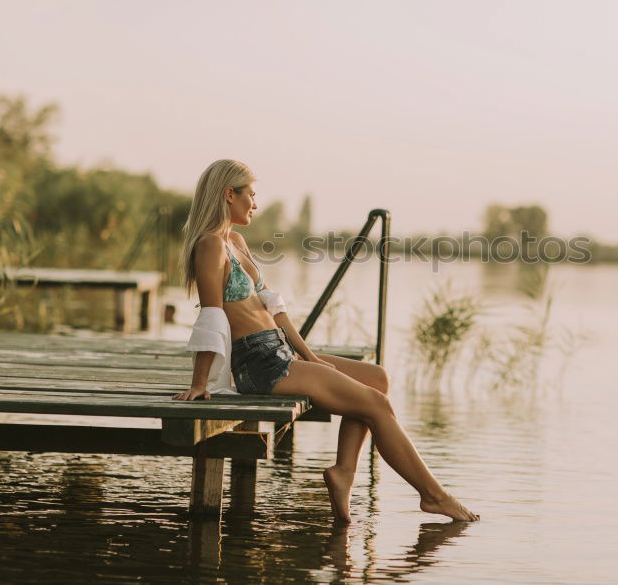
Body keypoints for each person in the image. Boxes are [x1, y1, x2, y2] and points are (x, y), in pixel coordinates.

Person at [173, 159, 479, 523]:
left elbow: (274, 308)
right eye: (251, 195)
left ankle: (344, 474)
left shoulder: (235, 242)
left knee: (376, 377)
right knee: (376, 404)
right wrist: (199, 383)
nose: (255, 203)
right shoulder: (210, 246)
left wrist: (309, 356)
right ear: (229, 194)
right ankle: (433, 495)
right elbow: (212, 315)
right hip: (259, 365)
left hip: (277, 350)